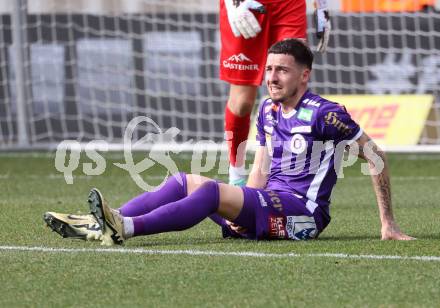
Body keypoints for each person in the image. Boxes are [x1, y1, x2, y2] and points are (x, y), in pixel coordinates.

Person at [44, 39, 413, 245]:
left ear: (305, 75)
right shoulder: (268, 109)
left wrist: (388, 223)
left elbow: (375, 155)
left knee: (210, 193)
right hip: (269, 205)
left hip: (303, 215)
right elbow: (261, 167)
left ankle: (124, 229)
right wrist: (244, 210)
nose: (272, 77)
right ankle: (108, 221)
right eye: (269, 69)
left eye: (281, 70)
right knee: (182, 181)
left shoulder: (325, 113)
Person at [221, 0, 331, 186]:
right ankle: (236, 177)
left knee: (291, 84)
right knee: (242, 104)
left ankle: (287, 175)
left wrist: (322, 7)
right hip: (247, 4)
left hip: (289, 4)